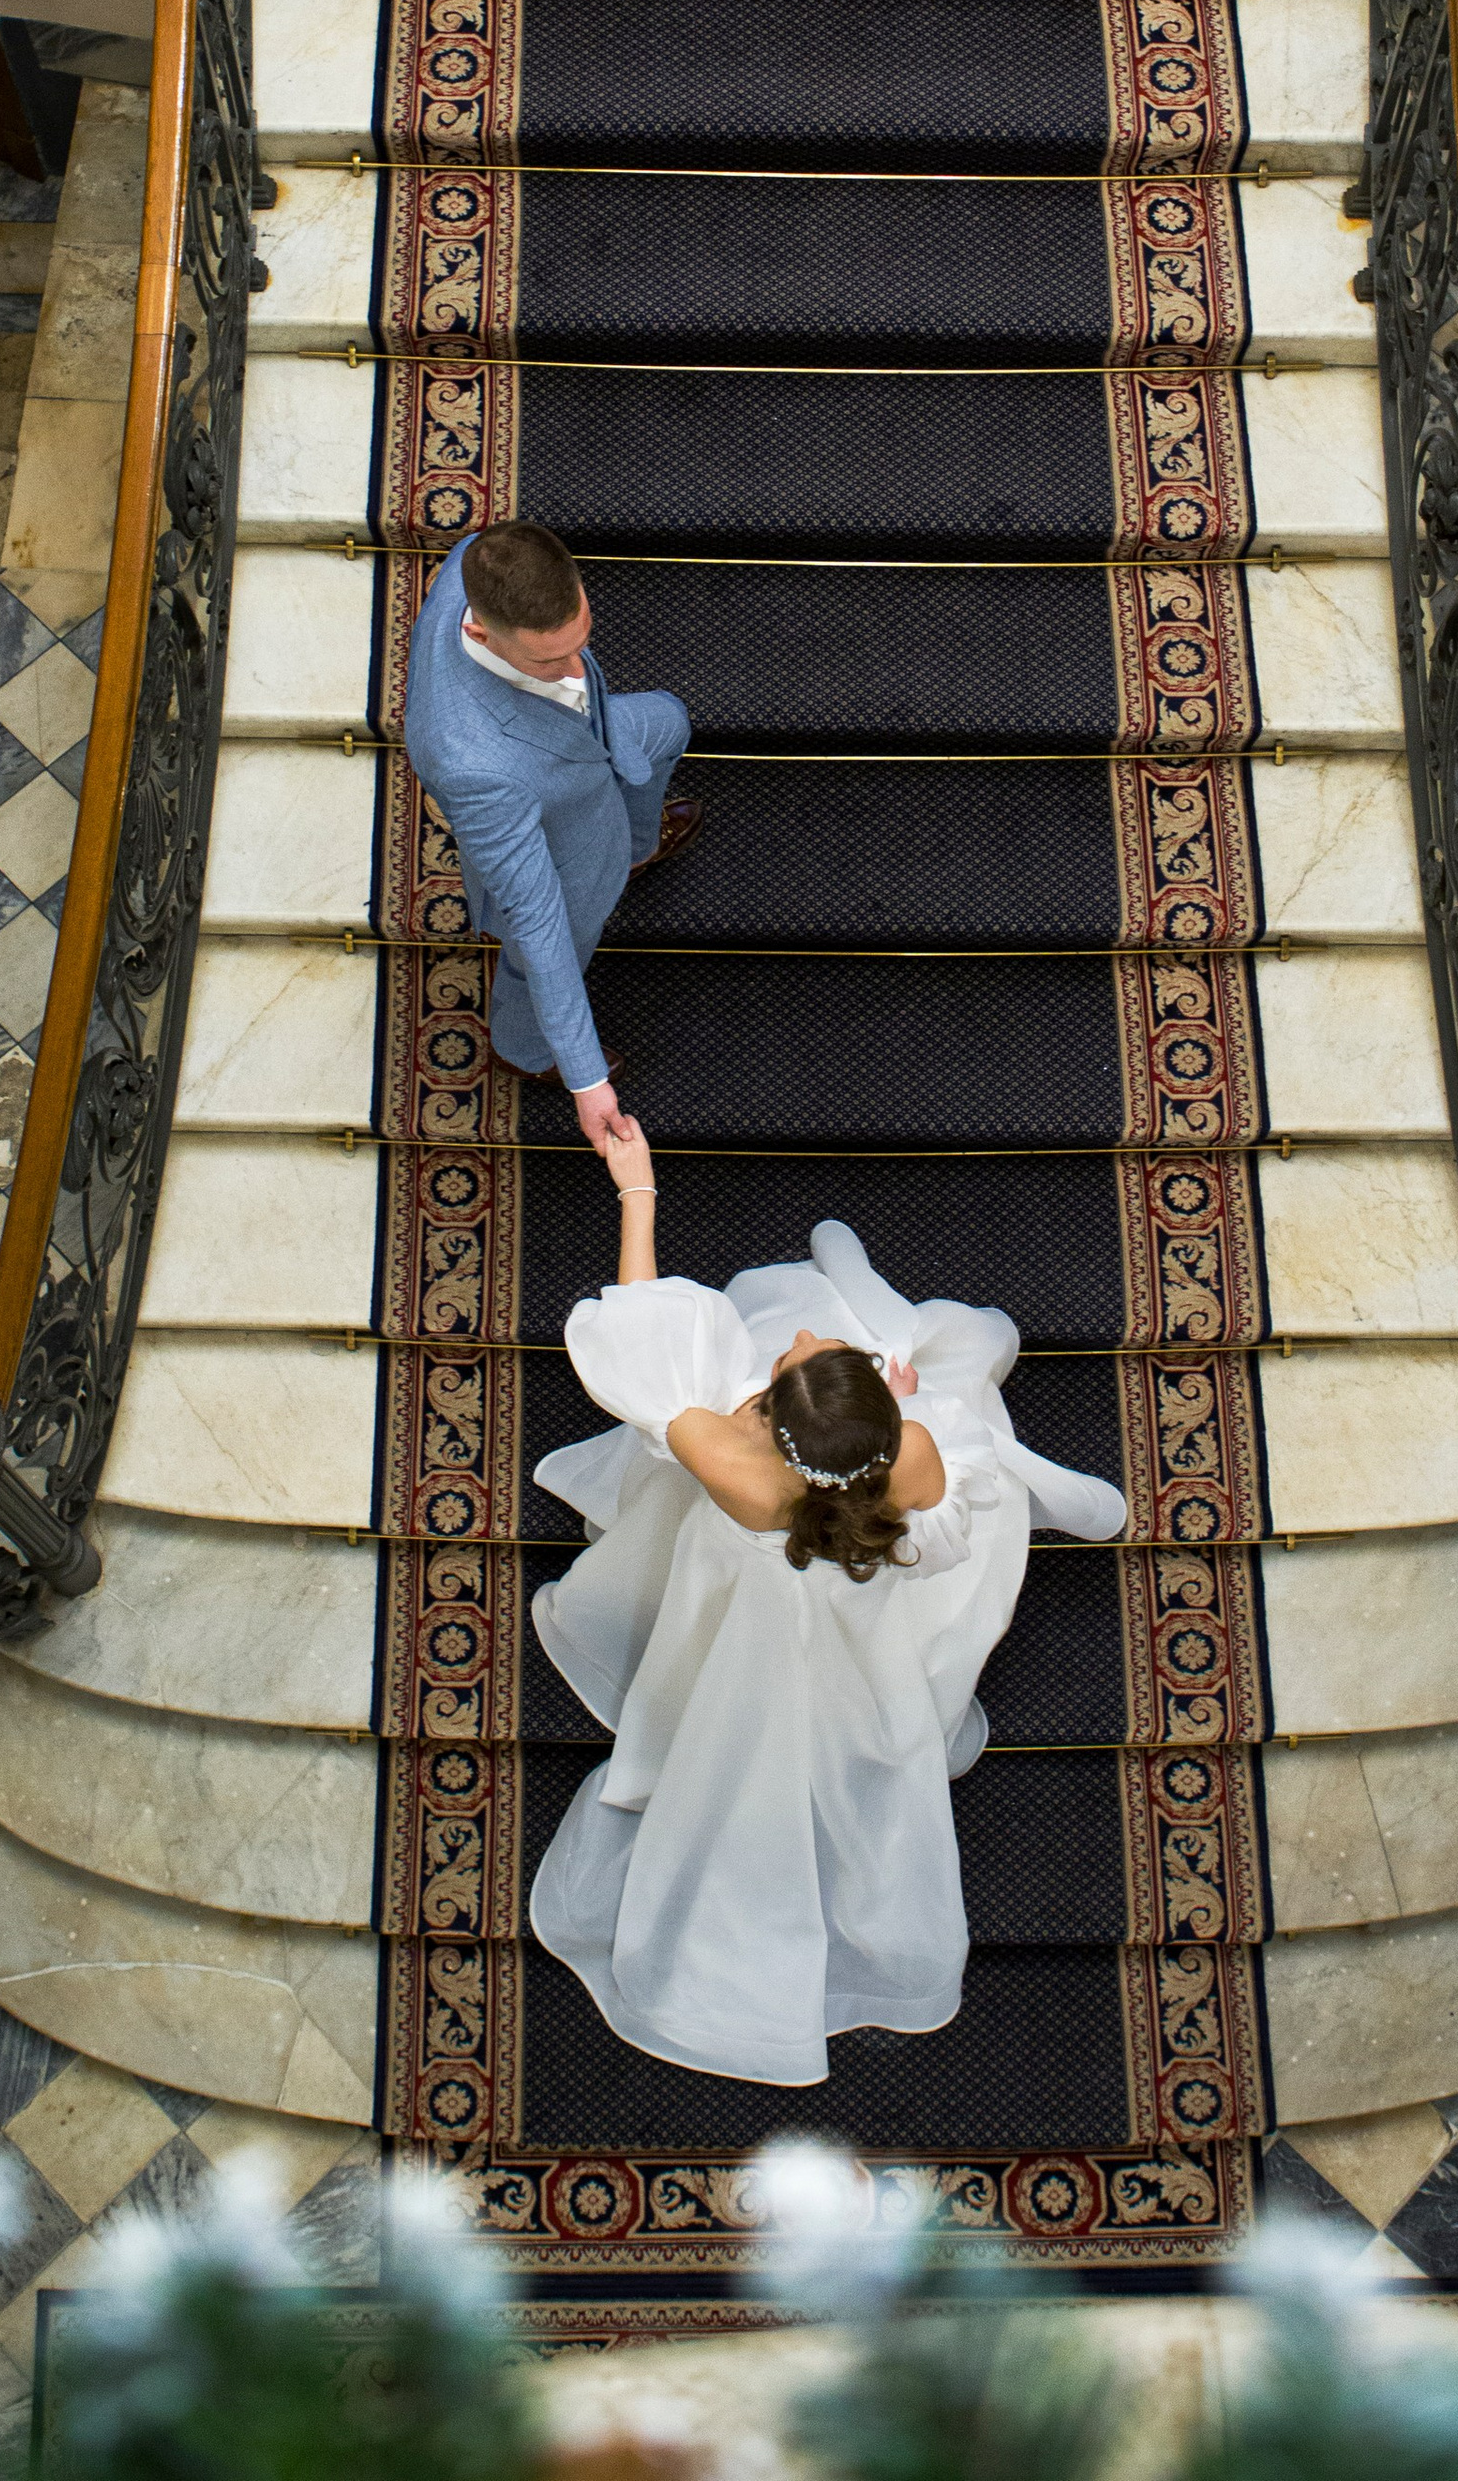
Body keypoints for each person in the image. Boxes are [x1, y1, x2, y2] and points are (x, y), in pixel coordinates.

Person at [526, 1119, 1130, 2087]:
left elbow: (636, 1328)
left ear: (773, 1417)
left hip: (738, 1607)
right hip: (853, 1605)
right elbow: (936, 1542)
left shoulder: (727, 1464)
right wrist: (901, 1404)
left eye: (799, 1358)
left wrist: (636, 1193)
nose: (804, 1337)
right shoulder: (915, 1456)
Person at [404, 521, 698, 1153]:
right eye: (546, 660)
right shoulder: (472, 763)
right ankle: (521, 1046)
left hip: (591, 749)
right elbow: (537, 920)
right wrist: (588, 1082)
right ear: (481, 631)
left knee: (668, 719)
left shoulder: (477, 558)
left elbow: (569, 670)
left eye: (580, 639)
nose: (572, 670)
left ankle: (641, 844)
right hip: (563, 844)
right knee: (543, 944)